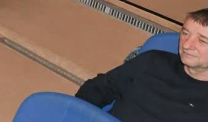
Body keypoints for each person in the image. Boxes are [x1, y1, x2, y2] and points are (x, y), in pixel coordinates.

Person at [75, 8, 208, 122]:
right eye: (185, 33)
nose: (186, 45)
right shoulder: (152, 61)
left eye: (202, 41)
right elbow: (97, 89)